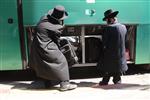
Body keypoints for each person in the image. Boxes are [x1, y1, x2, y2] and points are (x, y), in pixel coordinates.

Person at [29, 5, 77, 91]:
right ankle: (65, 84)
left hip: (36, 46)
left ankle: (48, 83)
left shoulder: (43, 18)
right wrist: (59, 51)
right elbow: (56, 41)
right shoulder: (57, 28)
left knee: (44, 64)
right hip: (46, 46)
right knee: (61, 61)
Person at [97, 9, 128, 85]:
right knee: (118, 67)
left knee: (107, 66)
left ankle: (105, 81)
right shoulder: (123, 27)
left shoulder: (108, 28)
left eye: (106, 20)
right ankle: (117, 80)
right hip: (121, 54)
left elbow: (104, 43)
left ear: (110, 19)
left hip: (110, 54)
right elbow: (125, 40)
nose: (106, 22)